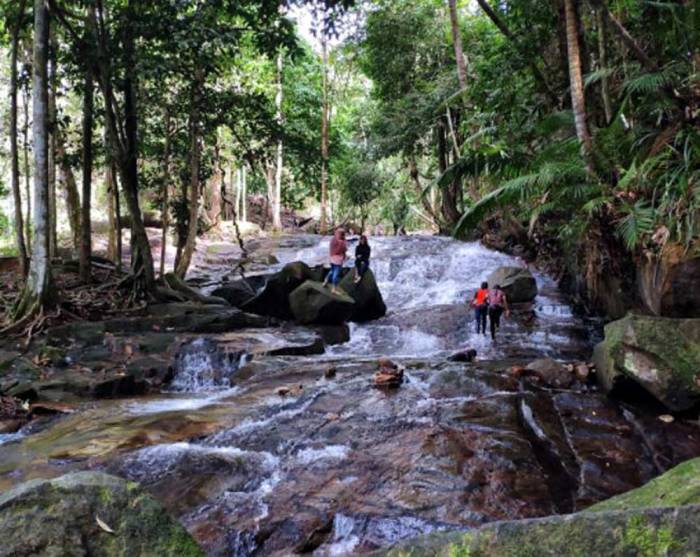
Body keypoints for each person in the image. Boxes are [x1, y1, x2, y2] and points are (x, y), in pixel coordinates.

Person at [323, 228, 347, 294]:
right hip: (338, 261)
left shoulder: (333, 240)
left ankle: (326, 280)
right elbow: (344, 250)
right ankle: (333, 289)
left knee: (332, 271)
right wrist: (344, 258)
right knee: (335, 274)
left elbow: (331, 250)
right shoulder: (343, 242)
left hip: (332, 259)